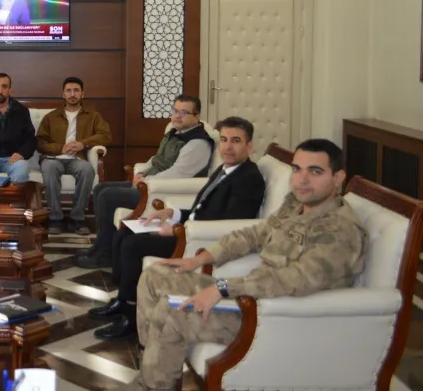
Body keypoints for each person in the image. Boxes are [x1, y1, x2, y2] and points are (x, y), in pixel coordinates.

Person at [119, 138, 367, 391]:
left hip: (275, 314)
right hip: (250, 296)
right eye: (297, 169)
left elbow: (296, 280)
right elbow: (254, 235)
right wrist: (200, 258)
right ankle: (153, 373)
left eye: (315, 172)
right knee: (156, 275)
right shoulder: (296, 204)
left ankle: (152, 386)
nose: (302, 180)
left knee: (173, 312)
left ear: (338, 178)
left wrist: (223, 287)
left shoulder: (340, 231)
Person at [89, 116, 265, 340]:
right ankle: (124, 300)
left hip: (201, 241)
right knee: (126, 232)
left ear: (249, 146)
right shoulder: (226, 169)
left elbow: (229, 224)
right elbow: (202, 207)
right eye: (224, 140)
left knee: (133, 245)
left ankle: (131, 317)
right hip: (190, 228)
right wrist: (173, 213)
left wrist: (178, 229)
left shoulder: (249, 179)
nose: (228, 147)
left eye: (236, 140)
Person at [76, 95, 213, 269]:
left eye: (184, 112)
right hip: (149, 184)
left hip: (161, 192)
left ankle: (106, 254)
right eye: (175, 111)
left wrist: (146, 182)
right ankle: (100, 246)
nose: (177, 116)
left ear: (196, 116)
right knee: (100, 188)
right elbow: (156, 159)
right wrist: (139, 173)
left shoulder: (198, 142)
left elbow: (178, 173)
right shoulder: (174, 133)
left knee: (107, 196)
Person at [36, 76, 112, 235]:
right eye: (69, 91)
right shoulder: (51, 117)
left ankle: (77, 218)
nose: (72, 94)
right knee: (49, 168)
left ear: (82, 94)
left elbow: (105, 136)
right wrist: (61, 148)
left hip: (78, 159)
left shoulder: (93, 116)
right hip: (53, 158)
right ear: (63, 94)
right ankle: (55, 218)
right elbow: (40, 143)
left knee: (87, 170)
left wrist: (83, 144)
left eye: (76, 90)